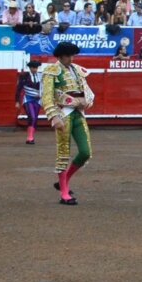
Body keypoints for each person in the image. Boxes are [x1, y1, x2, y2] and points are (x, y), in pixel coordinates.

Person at [41, 42, 93, 205]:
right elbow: (47, 96)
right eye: (69, 55)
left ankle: (64, 181)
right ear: (61, 56)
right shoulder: (51, 71)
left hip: (78, 114)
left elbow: (87, 91)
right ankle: (64, 193)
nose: (72, 58)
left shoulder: (77, 70)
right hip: (63, 114)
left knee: (85, 152)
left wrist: (87, 101)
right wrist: (53, 117)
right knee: (63, 152)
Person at [15, 59, 43, 144]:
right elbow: (19, 89)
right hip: (28, 99)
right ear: (30, 68)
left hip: (38, 100)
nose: (35, 69)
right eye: (33, 68)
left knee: (35, 118)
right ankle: (30, 137)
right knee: (32, 117)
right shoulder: (24, 76)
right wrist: (17, 101)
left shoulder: (41, 76)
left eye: (36, 68)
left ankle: (31, 136)